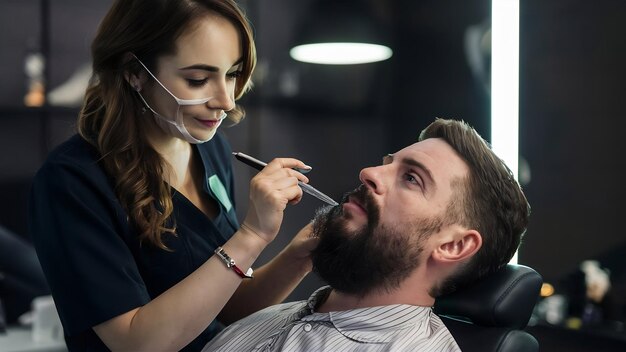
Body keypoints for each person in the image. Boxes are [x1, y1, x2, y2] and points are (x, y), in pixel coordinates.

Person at [28, 1, 317, 351]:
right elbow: (135, 343)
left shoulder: (211, 149)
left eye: (232, 74)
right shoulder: (72, 182)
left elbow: (226, 307)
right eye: (198, 80)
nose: (226, 101)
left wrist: (306, 251)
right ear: (134, 72)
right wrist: (253, 234)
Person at [202, 118, 531, 352]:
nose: (369, 173)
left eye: (412, 179)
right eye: (387, 163)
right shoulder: (264, 319)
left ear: (454, 245)